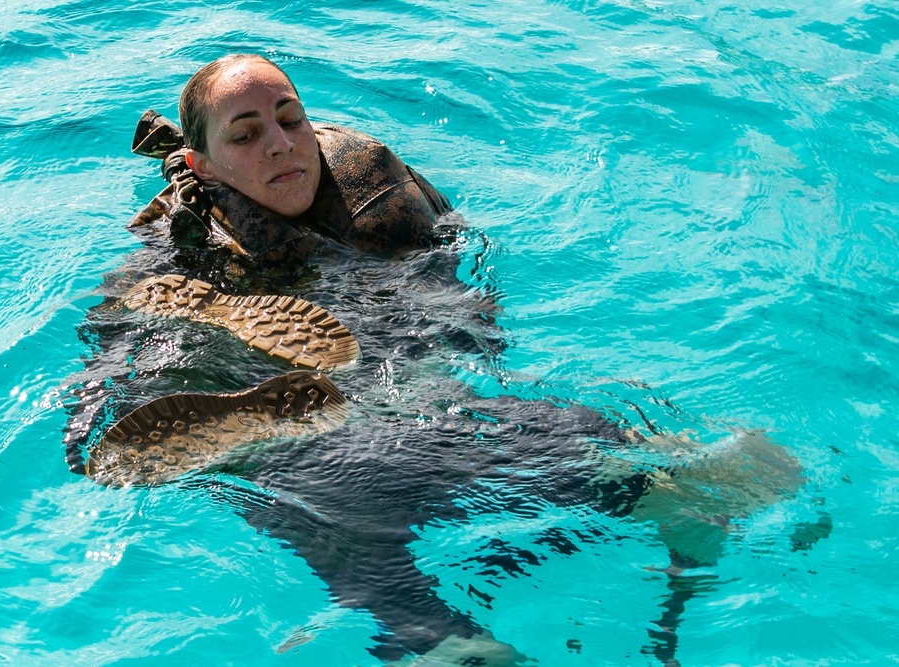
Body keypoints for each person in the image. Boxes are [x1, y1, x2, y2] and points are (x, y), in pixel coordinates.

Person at [63, 54, 804, 666]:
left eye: (289, 118)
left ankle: (663, 496)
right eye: (247, 133)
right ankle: (448, 638)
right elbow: (123, 370)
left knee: (534, 422)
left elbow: (459, 282)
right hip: (298, 426)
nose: (281, 144)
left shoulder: (373, 186)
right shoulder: (172, 268)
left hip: (405, 388)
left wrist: (444, 345)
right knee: (325, 491)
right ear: (202, 163)